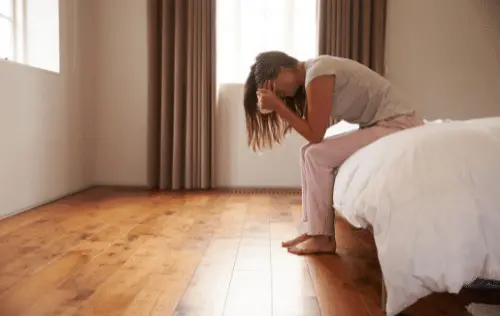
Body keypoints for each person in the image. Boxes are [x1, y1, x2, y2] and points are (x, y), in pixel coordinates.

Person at [243, 51, 424, 255]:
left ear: (284, 69)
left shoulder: (319, 72)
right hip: (386, 122)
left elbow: (315, 134)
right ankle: (313, 231)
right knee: (308, 152)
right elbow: (312, 134)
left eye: (274, 86)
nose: (278, 93)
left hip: (398, 123)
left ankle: (323, 238)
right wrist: (278, 105)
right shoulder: (314, 73)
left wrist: (278, 107)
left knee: (314, 154)